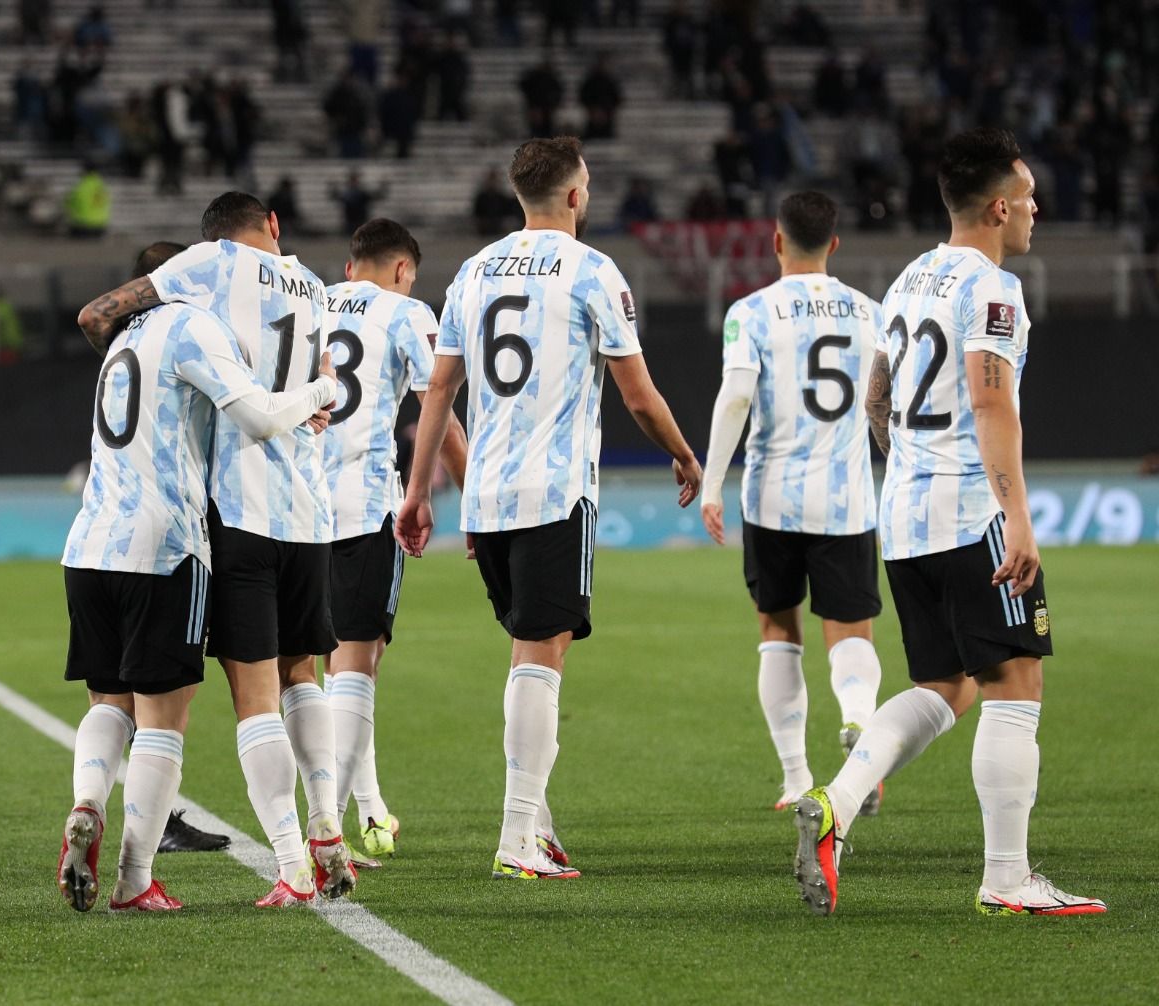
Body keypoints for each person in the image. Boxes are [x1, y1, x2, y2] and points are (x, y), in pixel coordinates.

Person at [792, 127, 1107, 917]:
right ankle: (1007, 879)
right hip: (972, 515)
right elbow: (992, 402)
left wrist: (911, 466)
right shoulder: (992, 288)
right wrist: (1017, 517)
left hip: (904, 518)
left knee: (945, 683)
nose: (1035, 209)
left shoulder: (908, 279)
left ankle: (836, 803)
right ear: (998, 207)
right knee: (1015, 680)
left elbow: (876, 398)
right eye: (1027, 197)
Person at [395, 136, 703, 881]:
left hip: (487, 495)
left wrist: (417, 491)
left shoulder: (473, 271)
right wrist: (683, 452)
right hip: (554, 491)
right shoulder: (593, 271)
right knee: (541, 656)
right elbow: (637, 395)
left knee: (533, 651)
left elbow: (439, 391)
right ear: (573, 195)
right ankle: (516, 837)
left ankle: (536, 821)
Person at [77, 195, 357, 906]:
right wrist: (319, 393)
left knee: (251, 699)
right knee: (304, 673)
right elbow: (322, 381)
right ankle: (327, 825)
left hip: (234, 512)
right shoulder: (313, 286)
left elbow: (96, 315)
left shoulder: (202, 273)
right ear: (274, 226)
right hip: (310, 509)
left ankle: (292, 865)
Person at [700, 191, 885, 816]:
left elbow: (735, 398)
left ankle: (796, 775)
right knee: (850, 632)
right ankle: (859, 724)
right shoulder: (871, 312)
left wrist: (711, 484)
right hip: (847, 500)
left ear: (776, 241)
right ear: (834, 244)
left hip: (771, 500)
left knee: (778, 632)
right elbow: (887, 403)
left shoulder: (751, 312)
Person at [320, 218, 469, 865]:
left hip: (294, 510)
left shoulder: (308, 303)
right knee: (356, 663)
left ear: (350, 267)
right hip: (362, 506)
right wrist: (472, 499)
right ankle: (324, 831)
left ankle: (369, 806)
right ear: (404, 270)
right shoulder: (406, 312)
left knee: (330, 667)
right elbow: (438, 402)